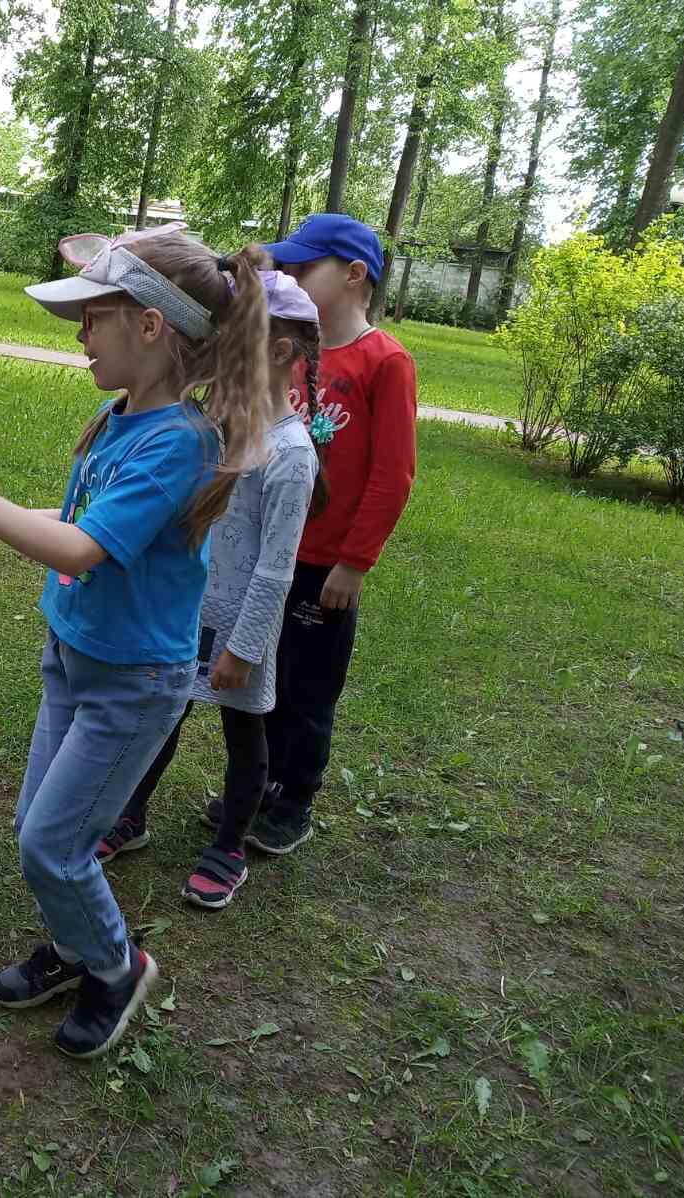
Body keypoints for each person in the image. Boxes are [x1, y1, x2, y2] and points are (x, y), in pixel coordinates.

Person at [0, 224, 274, 1058]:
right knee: (41, 828)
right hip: (73, 660)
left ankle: (115, 966)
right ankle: (73, 946)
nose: (79, 335)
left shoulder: (179, 444)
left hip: (133, 685)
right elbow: (73, 525)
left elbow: (82, 551)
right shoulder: (118, 419)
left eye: (92, 317)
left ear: (149, 326)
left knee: (50, 845)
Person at [95, 267, 330, 909]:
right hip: (187, 612)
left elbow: (276, 568)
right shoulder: (220, 424)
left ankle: (229, 845)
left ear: (279, 351)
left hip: (240, 629)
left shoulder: (291, 456)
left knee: (244, 735)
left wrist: (244, 648)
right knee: (165, 716)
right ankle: (131, 814)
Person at [228, 214, 418, 855]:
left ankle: (293, 799)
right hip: (269, 554)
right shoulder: (292, 350)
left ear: (355, 275)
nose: (292, 276)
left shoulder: (384, 362)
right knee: (258, 676)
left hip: (326, 567)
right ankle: (253, 786)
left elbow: (392, 476)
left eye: (305, 268)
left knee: (308, 689)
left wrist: (354, 563)